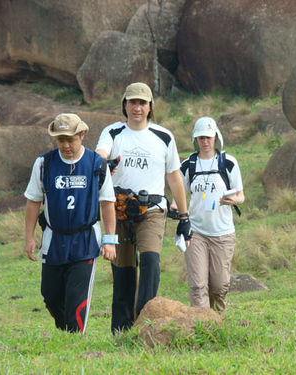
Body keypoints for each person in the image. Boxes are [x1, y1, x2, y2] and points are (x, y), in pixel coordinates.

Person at [96, 82, 191, 333]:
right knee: (123, 271)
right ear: (124, 105)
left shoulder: (163, 136)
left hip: (152, 210)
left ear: (150, 107)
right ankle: (121, 329)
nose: (137, 107)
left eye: (142, 103)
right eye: (132, 102)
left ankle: (145, 321)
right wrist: (104, 162)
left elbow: (174, 178)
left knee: (150, 262)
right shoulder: (113, 132)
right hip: (119, 210)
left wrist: (184, 216)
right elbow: (100, 153)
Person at [24, 113, 117, 334]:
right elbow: (33, 201)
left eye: (70, 140)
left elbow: (107, 204)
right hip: (53, 239)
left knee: (77, 299)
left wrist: (110, 240)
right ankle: (66, 333)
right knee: (50, 295)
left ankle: (75, 342)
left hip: (85, 240)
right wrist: (29, 237)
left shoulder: (97, 164)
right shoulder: (44, 163)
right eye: (60, 140)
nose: (65, 145)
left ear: (82, 135)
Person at [179, 116, 244, 313]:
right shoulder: (188, 165)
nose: (205, 142)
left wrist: (233, 200)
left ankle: (219, 324)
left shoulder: (229, 163)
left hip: (222, 233)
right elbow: (179, 195)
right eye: (201, 138)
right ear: (195, 140)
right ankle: (201, 326)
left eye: (208, 137)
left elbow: (241, 195)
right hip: (196, 232)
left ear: (216, 137)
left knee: (219, 286)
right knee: (198, 286)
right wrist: (175, 209)